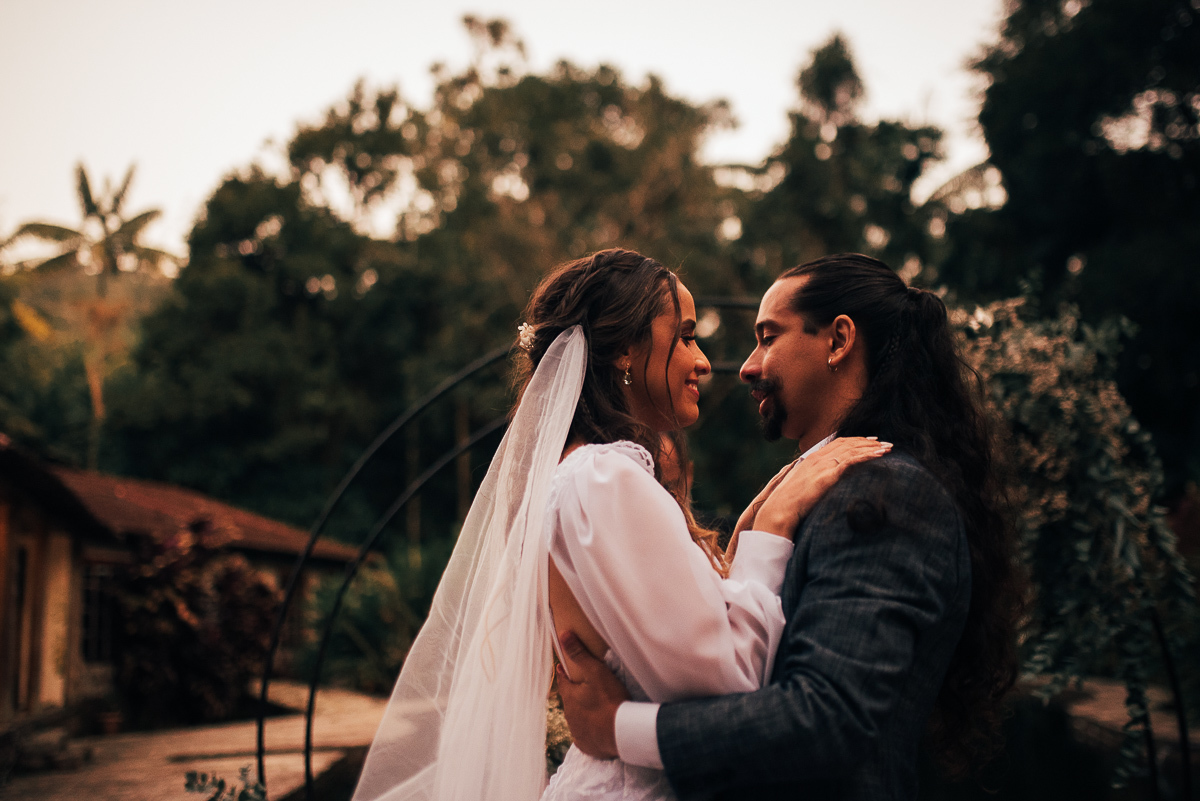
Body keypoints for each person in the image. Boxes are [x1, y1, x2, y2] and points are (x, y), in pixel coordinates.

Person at [351, 249, 887, 801]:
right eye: (685, 337)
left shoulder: (581, 477)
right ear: (623, 350)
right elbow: (731, 685)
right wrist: (770, 532)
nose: (703, 362)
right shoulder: (602, 479)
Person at [557, 253, 1024, 801]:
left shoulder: (887, 493)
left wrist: (616, 729)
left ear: (838, 341)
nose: (746, 367)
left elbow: (827, 718)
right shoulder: (816, 493)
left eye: (768, 338)